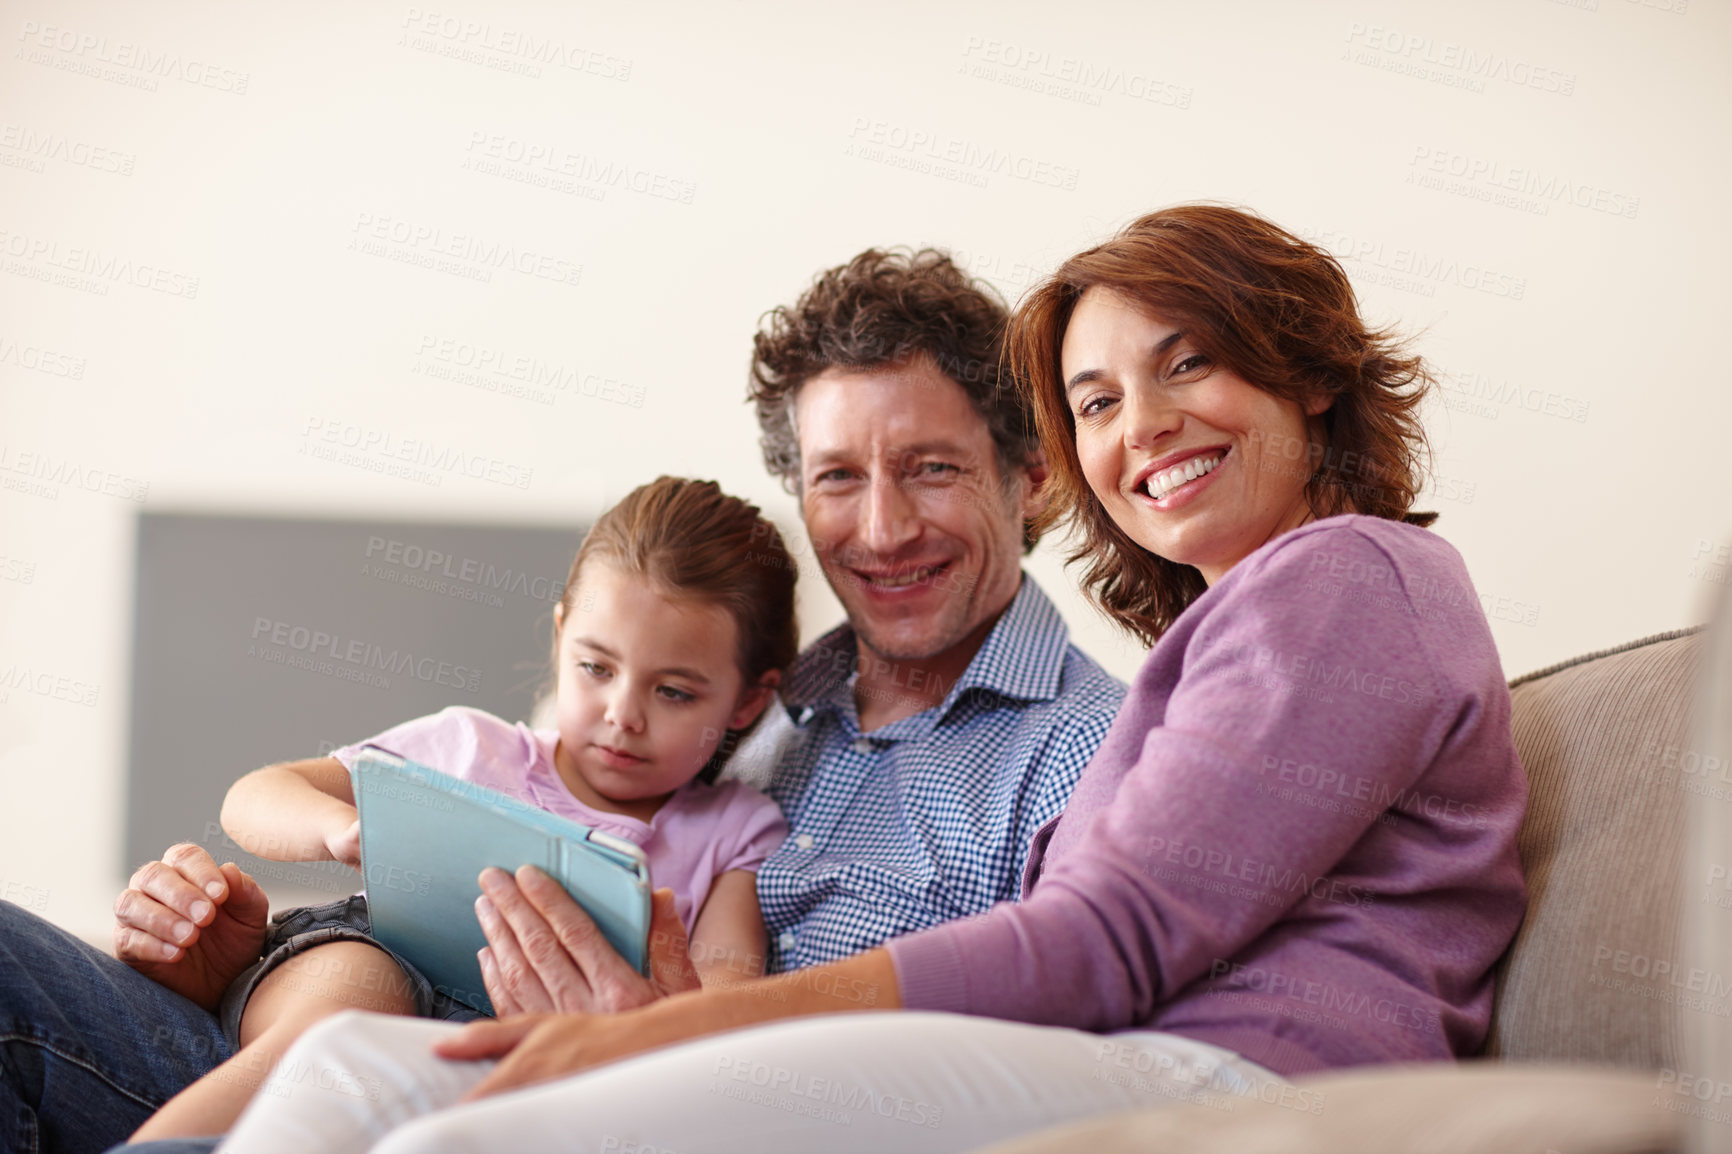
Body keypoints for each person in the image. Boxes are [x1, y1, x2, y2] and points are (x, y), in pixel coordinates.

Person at [210, 204, 1529, 1154]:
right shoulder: (774, 704)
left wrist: (679, 1030)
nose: (1145, 424)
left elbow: (1102, 941)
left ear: (1305, 374)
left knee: (466, 1132)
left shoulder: (1348, 574)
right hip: (1116, 1057)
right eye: (1100, 398)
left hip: (1224, 1081)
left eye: (1187, 361)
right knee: (351, 1057)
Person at [0, 247, 1123, 1154]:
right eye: (837, 476)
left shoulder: (1089, 752)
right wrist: (223, 956)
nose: (879, 529)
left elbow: (1068, 1071)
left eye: (930, 467)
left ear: (1030, 475)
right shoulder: (775, 699)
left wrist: (673, 1045)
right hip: (338, 1026)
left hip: (534, 1101)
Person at [127, 477, 794, 1142]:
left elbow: (726, 1001)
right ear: (561, 637)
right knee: (338, 1029)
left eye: (674, 692)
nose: (623, 715)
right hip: (373, 957)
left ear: (746, 703)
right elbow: (254, 796)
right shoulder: (472, 745)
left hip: (533, 1039)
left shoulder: (736, 829)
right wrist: (341, 829)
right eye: (595, 667)